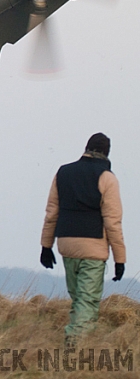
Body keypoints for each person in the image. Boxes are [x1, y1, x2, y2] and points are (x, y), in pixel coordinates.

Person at [40, 132, 126, 348]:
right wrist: (120, 259)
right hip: (93, 247)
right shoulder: (107, 178)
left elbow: (52, 212)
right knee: (88, 301)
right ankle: (75, 346)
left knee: (78, 299)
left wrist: (46, 246)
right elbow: (113, 222)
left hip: (66, 244)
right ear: (107, 152)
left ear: (86, 147)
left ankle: (77, 341)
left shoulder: (63, 172)